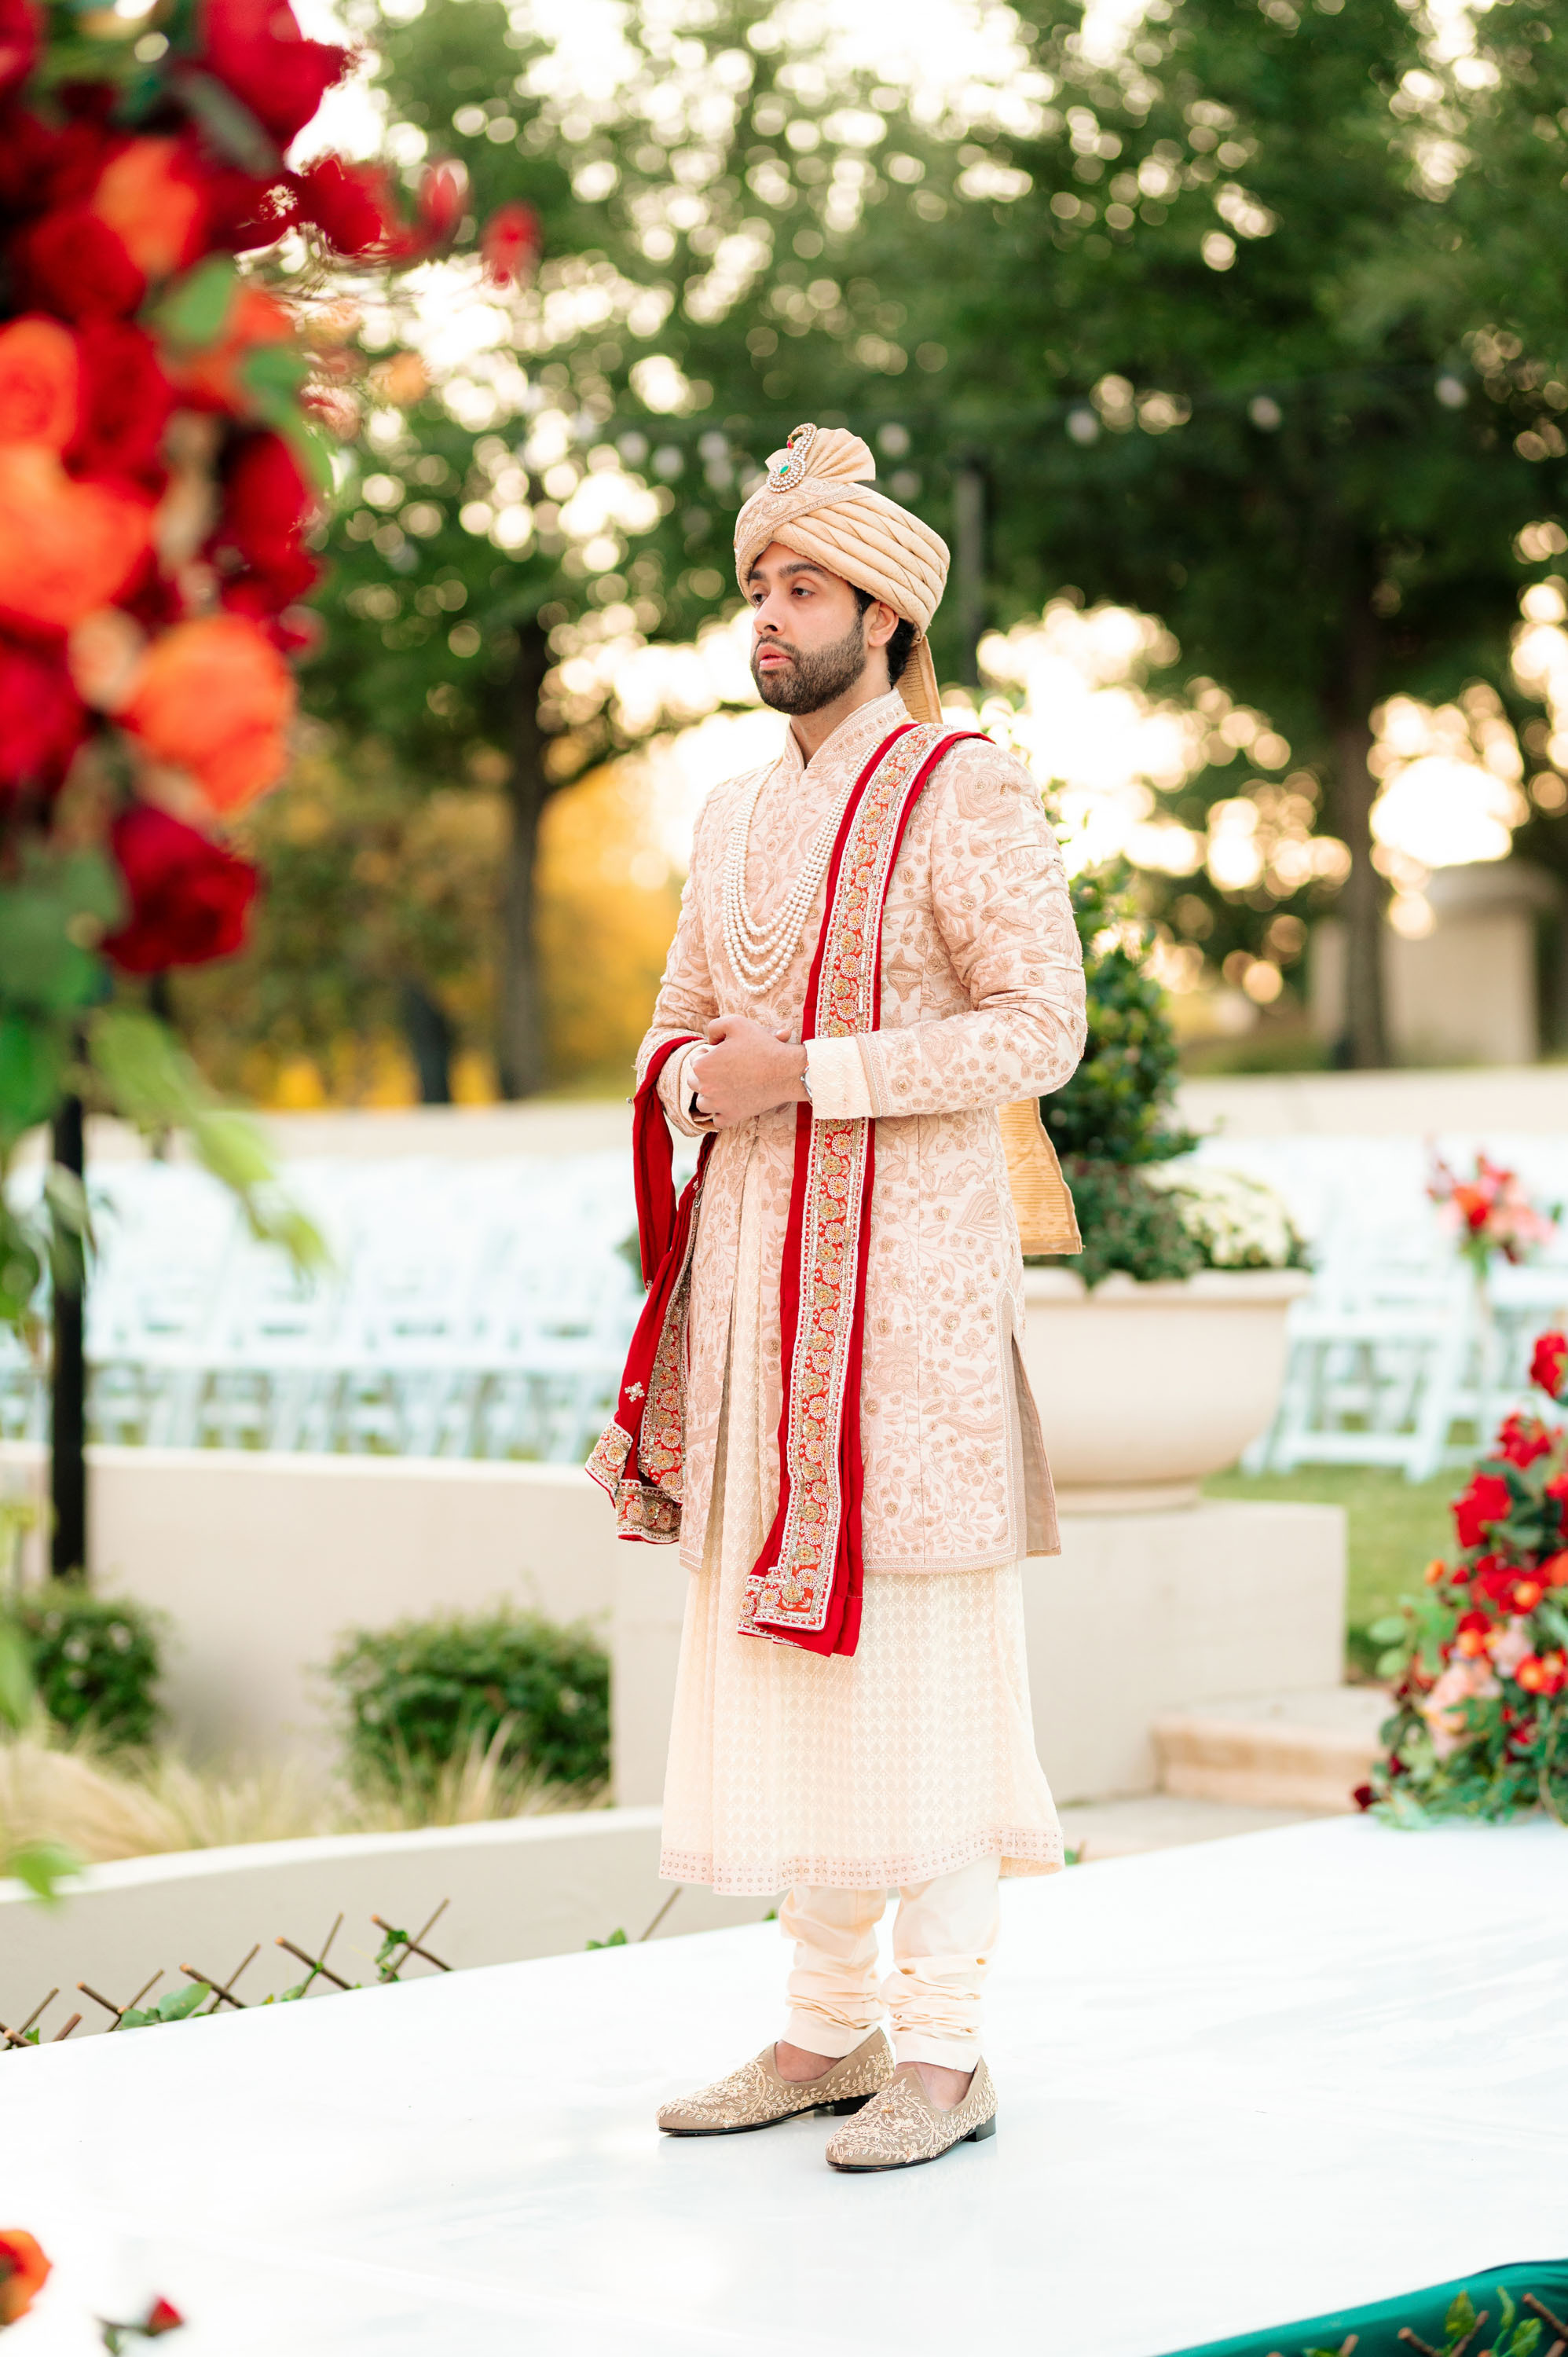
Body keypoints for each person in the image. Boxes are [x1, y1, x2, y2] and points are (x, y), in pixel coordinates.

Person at [588, 423, 1086, 2172]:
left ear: (883, 613)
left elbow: (1041, 1028)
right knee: (786, 1667)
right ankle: (822, 2029)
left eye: (801, 587)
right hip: (753, 1307)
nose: (766, 619)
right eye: (754, 588)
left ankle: (944, 2053)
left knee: (922, 1662)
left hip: (911, 1314)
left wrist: (809, 1073)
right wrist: (695, 1086)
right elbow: (666, 1031)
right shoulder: (727, 815)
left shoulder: (966, 785)